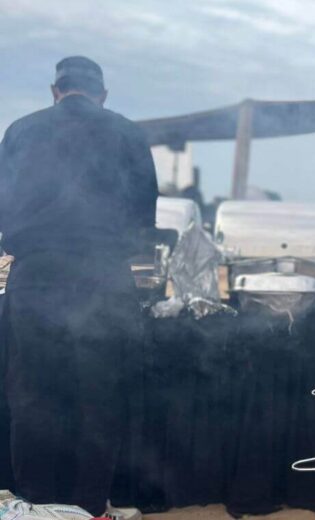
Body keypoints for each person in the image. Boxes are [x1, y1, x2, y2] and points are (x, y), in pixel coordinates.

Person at [0, 56, 158, 515]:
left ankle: (39, 506)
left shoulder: (20, 131)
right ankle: (90, 508)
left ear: (56, 91)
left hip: (36, 277)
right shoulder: (128, 133)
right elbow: (144, 220)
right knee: (99, 397)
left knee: (34, 397)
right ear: (102, 95)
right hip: (103, 278)